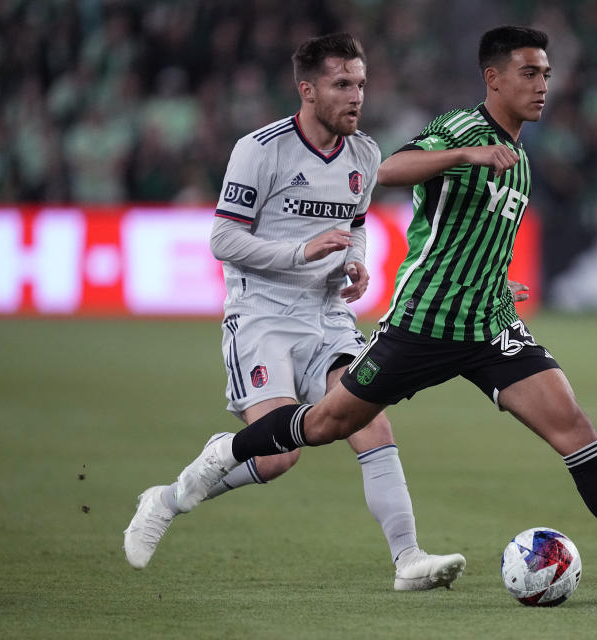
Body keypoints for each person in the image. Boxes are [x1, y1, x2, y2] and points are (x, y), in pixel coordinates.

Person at [170, 26, 597, 602]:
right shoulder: (463, 130)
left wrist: (494, 277)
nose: (542, 85)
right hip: (423, 323)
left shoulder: (520, 158)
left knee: (573, 426)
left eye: (547, 74)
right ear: (493, 78)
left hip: (488, 325)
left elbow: (474, 237)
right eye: (529, 73)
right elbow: (389, 170)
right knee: (327, 424)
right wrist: (464, 155)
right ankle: (228, 451)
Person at [123, 33, 466, 592]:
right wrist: (299, 253)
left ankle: (408, 560)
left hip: (328, 313)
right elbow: (222, 240)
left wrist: (357, 262)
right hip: (262, 314)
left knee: (370, 420)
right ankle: (167, 499)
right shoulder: (261, 149)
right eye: (341, 85)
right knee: (280, 455)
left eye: (360, 84)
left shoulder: (366, 154)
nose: (356, 96)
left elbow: (353, 226)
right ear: (307, 89)